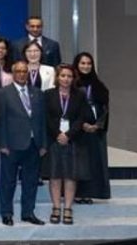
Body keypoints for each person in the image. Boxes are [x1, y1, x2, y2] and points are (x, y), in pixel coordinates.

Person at [0, 60, 47, 226]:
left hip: (34, 144)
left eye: (24, 71)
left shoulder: (38, 93)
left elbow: (42, 120)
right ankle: (6, 213)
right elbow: (0, 120)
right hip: (11, 145)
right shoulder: (3, 93)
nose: (21, 74)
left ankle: (28, 213)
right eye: (18, 71)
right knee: (8, 182)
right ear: (13, 74)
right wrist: (2, 144)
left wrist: (43, 144)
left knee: (30, 181)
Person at [43, 65, 89, 225]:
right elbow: (46, 117)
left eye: (69, 76)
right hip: (54, 139)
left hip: (73, 140)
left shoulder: (80, 95)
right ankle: (56, 207)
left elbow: (82, 118)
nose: (66, 79)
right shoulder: (48, 94)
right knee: (55, 176)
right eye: (63, 75)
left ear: (73, 78)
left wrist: (68, 135)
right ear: (57, 77)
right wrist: (57, 134)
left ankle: (68, 208)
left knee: (70, 175)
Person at [73, 52, 111, 204]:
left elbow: (105, 109)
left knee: (94, 162)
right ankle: (77, 194)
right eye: (82, 63)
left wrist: (98, 125)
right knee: (79, 163)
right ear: (77, 65)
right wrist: (82, 124)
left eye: (89, 63)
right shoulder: (72, 84)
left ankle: (90, 193)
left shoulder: (99, 86)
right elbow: (69, 108)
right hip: (78, 131)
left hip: (96, 131)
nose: (86, 66)